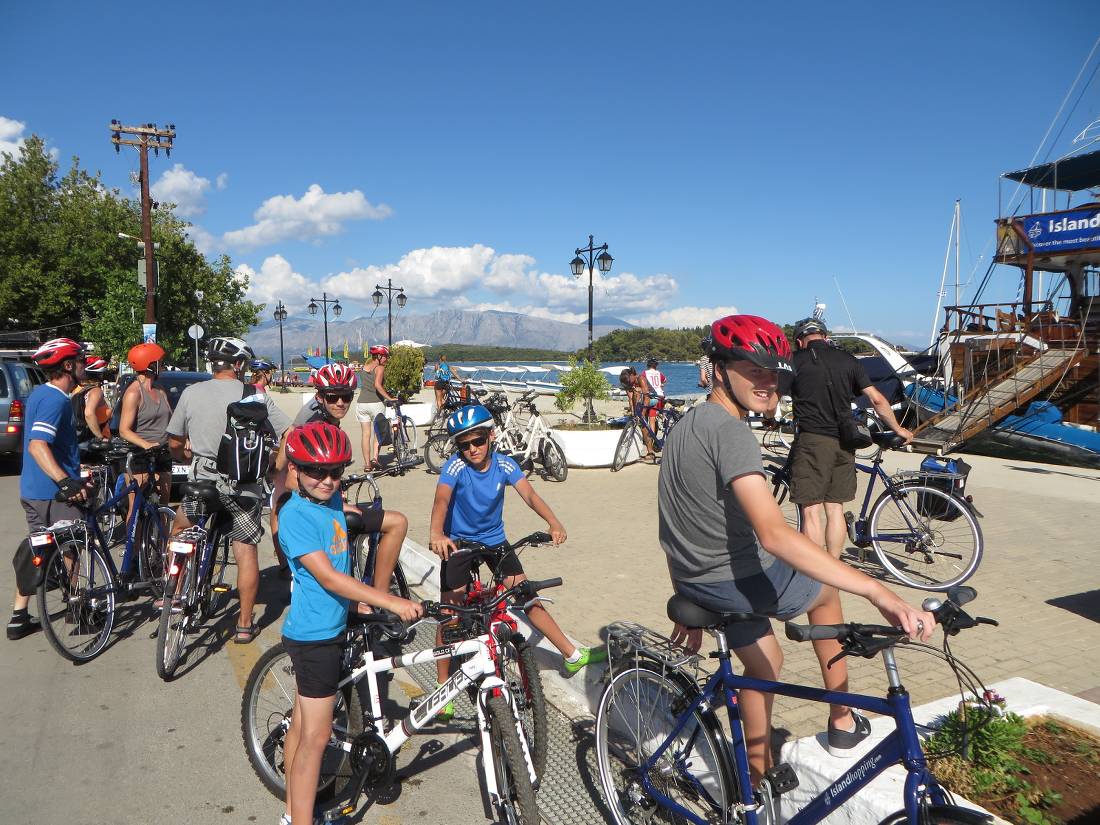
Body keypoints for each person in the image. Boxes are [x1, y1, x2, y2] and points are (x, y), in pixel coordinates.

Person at [659, 314, 934, 789]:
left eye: (774, 373)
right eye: (754, 369)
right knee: (826, 588)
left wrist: (684, 593)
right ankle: (842, 720)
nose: (768, 383)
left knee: (766, 662)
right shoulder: (731, 432)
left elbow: (670, 522)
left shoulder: (687, 424)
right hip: (730, 575)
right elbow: (773, 535)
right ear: (720, 369)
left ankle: (758, 772)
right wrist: (878, 592)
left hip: (697, 577)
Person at [277, 421, 421, 825]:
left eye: (336, 472)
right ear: (296, 470)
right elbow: (329, 578)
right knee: (315, 740)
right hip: (314, 638)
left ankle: (293, 813)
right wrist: (388, 598)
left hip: (331, 626)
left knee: (303, 725)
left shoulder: (332, 503)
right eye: (316, 471)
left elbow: (387, 525)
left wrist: (361, 602)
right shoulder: (296, 516)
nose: (327, 480)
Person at [428, 404, 605, 718]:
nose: (472, 449)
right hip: (459, 543)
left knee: (527, 597)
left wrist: (555, 523)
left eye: (478, 441)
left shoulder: (505, 465)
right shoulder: (454, 467)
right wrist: (436, 533)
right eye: (464, 444)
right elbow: (442, 499)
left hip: (495, 542)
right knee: (449, 614)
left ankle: (572, 654)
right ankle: (443, 688)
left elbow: (531, 496)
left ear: (491, 436)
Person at [166, 336, 291, 644]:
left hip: (202, 484)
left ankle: (174, 591)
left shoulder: (192, 393)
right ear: (239, 365)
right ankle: (245, 625)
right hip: (243, 487)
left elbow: (174, 443)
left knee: (180, 527)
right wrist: (274, 466)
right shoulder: (255, 395)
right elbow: (289, 432)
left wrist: (189, 458)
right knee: (245, 551)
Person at [273, 362, 409, 595]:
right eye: (333, 397)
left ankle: (378, 594)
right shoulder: (311, 424)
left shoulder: (327, 417)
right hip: (302, 497)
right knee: (394, 522)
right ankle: (379, 596)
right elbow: (289, 477)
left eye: (346, 397)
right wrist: (337, 502)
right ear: (320, 397)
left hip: (315, 495)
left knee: (396, 521)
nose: (340, 403)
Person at [787, 318, 914, 560]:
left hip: (812, 441)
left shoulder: (796, 361)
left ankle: (814, 571)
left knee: (811, 510)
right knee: (835, 509)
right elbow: (876, 399)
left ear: (800, 341)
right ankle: (833, 567)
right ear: (825, 337)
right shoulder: (847, 359)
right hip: (846, 442)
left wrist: (771, 417)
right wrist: (898, 428)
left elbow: (773, 398)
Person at [9, 339, 91, 640]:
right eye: (80, 360)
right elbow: (37, 445)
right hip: (54, 494)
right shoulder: (56, 400)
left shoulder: (38, 395)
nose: (85, 364)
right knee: (70, 550)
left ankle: (18, 617)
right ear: (68, 366)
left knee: (38, 550)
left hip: (32, 489)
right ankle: (77, 610)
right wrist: (66, 481)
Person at [118, 342, 173, 505]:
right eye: (159, 363)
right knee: (136, 506)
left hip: (162, 452)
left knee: (163, 503)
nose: (162, 366)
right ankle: (133, 531)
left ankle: (163, 531)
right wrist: (147, 445)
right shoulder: (134, 393)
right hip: (140, 454)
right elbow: (124, 430)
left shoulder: (160, 390)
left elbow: (172, 420)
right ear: (150, 365)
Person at [355, 345, 394, 470]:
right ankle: (375, 458)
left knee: (365, 434)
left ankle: (367, 465)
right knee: (378, 433)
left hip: (361, 404)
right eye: (385, 356)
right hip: (376, 403)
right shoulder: (380, 368)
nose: (386, 359)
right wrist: (389, 398)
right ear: (379, 356)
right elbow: (377, 385)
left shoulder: (363, 368)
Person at [73, 355, 112, 444]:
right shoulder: (95, 391)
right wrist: (100, 438)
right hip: (94, 442)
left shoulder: (77, 390)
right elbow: (89, 413)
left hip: (81, 439)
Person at [619, 368, 656, 460]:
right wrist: (633, 413)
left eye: (628, 381)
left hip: (653, 399)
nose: (628, 383)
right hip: (641, 403)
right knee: (644, 429)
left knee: (637, 391)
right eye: (626, 383)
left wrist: (642, 413)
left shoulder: (641, 379)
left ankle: (651, 447)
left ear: (632, 375)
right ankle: (650, 451)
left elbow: (647, 397)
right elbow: (631, 400)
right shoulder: (628, 383)